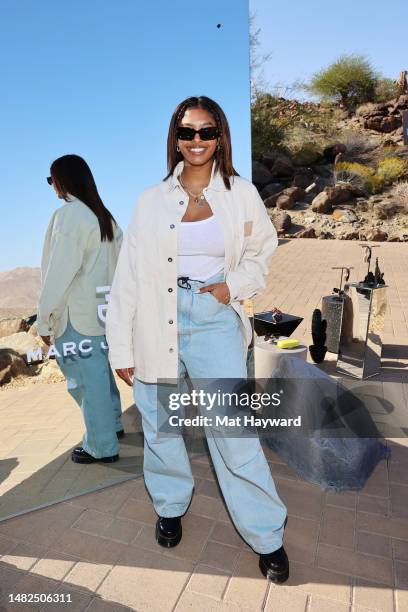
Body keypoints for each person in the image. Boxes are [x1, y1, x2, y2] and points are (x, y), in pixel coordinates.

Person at [106, 96, 289, 582]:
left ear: (220, 137)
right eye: (187, 133)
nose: (196, 142)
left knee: (233, 433)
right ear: (176, 138)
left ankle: (267, 534)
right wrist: (120, 346)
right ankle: (169, 506)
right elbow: (128, 276)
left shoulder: (241, 193)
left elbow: (262, 250)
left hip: (213, 317)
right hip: (155, 321)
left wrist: (235, 287)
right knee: (162, 428)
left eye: (206, 132)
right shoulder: (150, 200)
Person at [37, 154, 124, 464]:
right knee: (100, 374)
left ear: (63, 180)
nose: (52, 187)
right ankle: (112, 424)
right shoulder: (106, 217)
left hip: (76, 316)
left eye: (52, 180)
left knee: (85, 383)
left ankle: (101, 445)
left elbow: (58, 273)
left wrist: (44, 319)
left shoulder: (70, 215)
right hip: (102, 313)